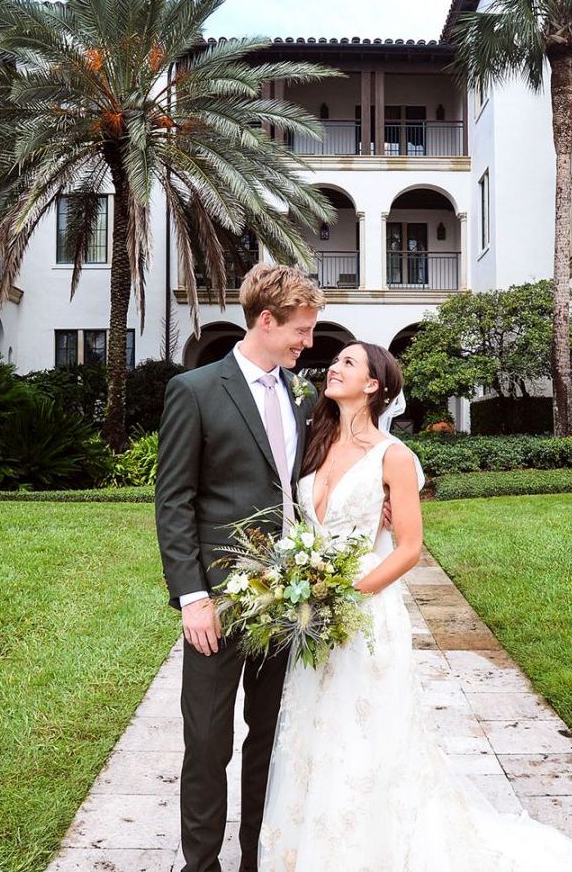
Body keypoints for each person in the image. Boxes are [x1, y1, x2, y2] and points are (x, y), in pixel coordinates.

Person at [256, 341, 572, 872]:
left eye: (348, 363)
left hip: (365, 612)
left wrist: (346, 592)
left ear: (375, 385)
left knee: (367, 736)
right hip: (312, 613)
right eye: (335, 362)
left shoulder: (395, 456)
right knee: (315, 729)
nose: (333, 367)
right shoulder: (313, 441)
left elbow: (408, 547)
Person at [156, 263, 323, 872]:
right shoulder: (196, 390)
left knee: (270, 741)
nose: (308, 342)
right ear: (266, 320)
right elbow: (173, 501)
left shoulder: (301, 394)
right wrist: (192, 596)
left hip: (288, 600)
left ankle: (258, 858)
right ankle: (201, 865)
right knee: (206, 743)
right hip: (219, 604)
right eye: (300, 330)